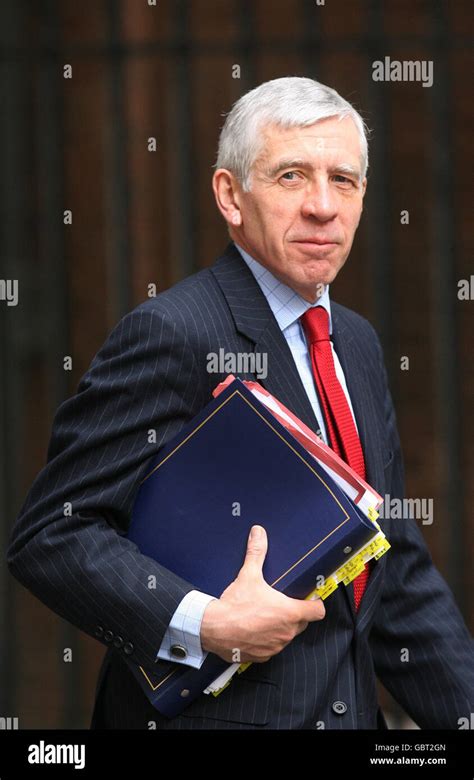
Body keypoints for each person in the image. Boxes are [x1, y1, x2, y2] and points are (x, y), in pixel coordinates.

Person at [7, 77, 474, 730]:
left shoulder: (359, 344)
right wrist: (208, 622)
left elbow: (388, 563)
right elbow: (51, 533)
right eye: (290, 176)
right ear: (231, 195)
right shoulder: (172, 333)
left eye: (343, 180)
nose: (322, 205)